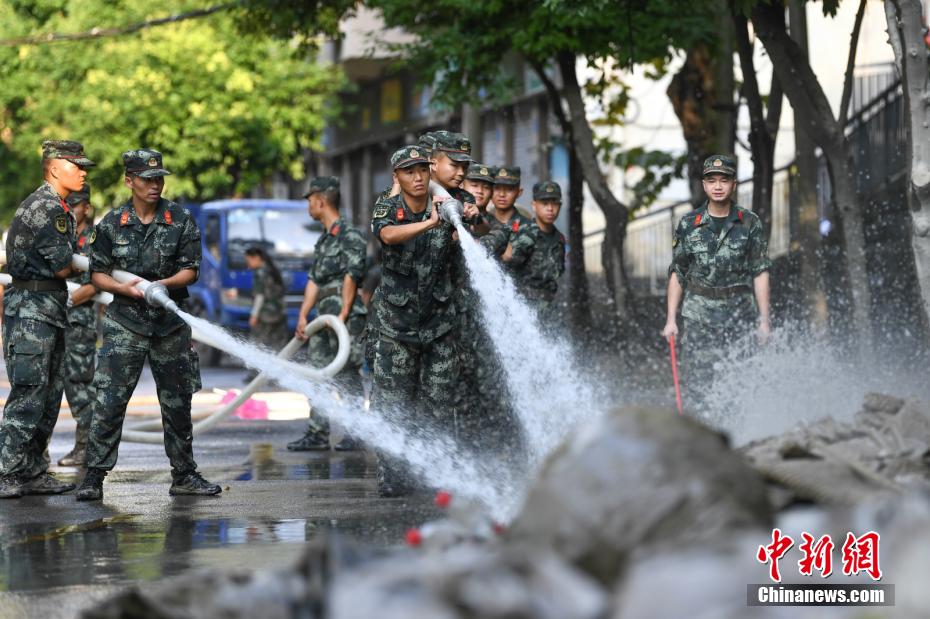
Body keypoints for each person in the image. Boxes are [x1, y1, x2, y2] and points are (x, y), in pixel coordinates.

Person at [76, 148, 221, 501]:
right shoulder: (111, 224)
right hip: (125, 323)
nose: (155, 185)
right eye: (147, 179)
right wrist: (124, 288)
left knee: (177, 403)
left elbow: (192, 269)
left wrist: (164, 285)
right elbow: (97, 274)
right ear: (130, 181)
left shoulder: (180, 218)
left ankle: (184, 475)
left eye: (159, 178)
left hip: (169, 325)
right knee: (109, 400)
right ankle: (94, 476)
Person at [0, 140, 92, 499]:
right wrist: (98, 262)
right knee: (28, 395)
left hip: (47, 310)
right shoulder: (46, 208)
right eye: (76, 165)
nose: (83, 171)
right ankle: (6, 472)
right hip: (32, 313)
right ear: (54, 167)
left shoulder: (57, 206)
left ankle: (33, 470)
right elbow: (63, 266)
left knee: (49, 395)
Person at [369, 145, 462, 496]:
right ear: (398, 177)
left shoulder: (444, 204)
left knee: (438, 404)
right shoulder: (388, 207)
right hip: (397, 328)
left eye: (423, 169)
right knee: (394, 406)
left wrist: (463, 214)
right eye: (410, 172)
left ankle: (433, 471)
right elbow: (387, 235)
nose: (418, 177)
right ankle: (393, 474)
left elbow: (471, 229)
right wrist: (430, 223)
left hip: (438, 326)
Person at [661, 155, 772, 403]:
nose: (718, 186)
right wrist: (671, 320)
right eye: (712, 180)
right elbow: (678, 271)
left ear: (734, 184)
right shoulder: (689, 224)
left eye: (724, 180)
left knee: (742, 383)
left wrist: (764, 320)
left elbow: (760, 270)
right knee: (700, 386)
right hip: (699, 315)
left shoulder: (749, 222)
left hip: (739, 314)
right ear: (704, 185)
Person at [286, 176, 367, 452]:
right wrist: (303, 315)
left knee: (346, 373)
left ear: (320, 200)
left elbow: (352, 276)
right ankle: (318, 432)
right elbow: (314, 280)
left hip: (343, 313)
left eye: (310, 200)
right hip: (322, 315)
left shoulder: (349, 235)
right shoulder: (323, 239)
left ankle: (356, 432)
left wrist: (343, 314)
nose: (309, 205)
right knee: (317, 372)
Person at [58, 184, 100, 466]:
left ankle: (87, 447)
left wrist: (63, 301)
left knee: (80, 385)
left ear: (86, 207)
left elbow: (94, 283)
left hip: (79, 322)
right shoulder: (62, 236)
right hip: (60, 320)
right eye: (67, 206)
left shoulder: (93, 239)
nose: (70, 211)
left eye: (74, 206)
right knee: (55, 383)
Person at [505, 180, 567, 325]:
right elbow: (507, 271)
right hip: (524, 309)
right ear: (534, 205)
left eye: (555, 203)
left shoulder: (559, 239)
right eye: (545, 203)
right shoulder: (525, 234)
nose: (550, 209)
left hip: (550, 310)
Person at [243, 246, 288, 380]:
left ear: (256, 258)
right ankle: (277, 376)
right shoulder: (273, 271)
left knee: (256, 344)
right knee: (277, 345)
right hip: (279, 314)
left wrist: (254, 315)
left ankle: (254, 375)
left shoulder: (260, 273)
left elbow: (260, 296)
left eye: (248, 260)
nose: (247, 264)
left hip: (265, 315)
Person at [484, 166, 531, 258]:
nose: (502, 194)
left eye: (509, 189)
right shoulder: (481, 223)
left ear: (519, 192)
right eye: (497, 188)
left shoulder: (528, 227)